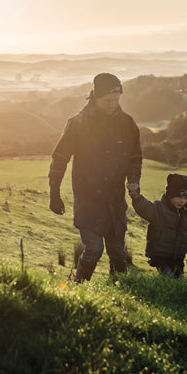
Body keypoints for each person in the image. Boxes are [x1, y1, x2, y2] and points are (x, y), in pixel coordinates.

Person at [48, 73, 142, 282]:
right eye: (108, 101)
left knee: (118, 255)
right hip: (88, 201)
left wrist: (134, 179)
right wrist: (54, 193)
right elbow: (59, 159)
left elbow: (135, 157)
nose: (113, 105)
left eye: (117, 100)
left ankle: (120, 294)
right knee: (94, 250)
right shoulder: (78, 124)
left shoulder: (127, 124)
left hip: (115, 202)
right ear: (95, 97)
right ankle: (77, 289)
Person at [127, 173, 187, 278]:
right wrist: (137, 198)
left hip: (178, 259)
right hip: (161, 257)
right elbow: (145, 208)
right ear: (170, 194)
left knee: (179, 281)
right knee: (168, 278)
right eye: (179, 197)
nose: (182, 201)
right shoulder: (159, 210)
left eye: (186, 198)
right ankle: (160, 292)